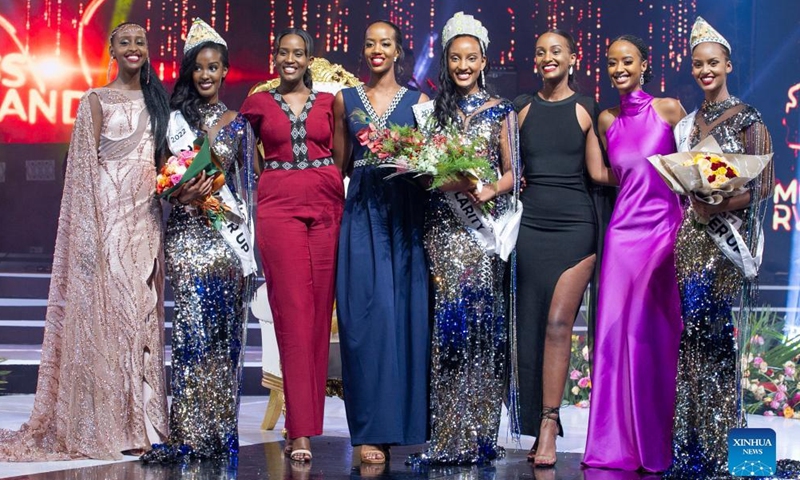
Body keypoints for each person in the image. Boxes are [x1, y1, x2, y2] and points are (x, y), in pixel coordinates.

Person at [0, 22, 170, 461]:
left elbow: (165, 163)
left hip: (147, 225)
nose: (133, 48)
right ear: (112, 50)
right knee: (114, 322)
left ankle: (145, 424)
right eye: (125, 42)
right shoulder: (95, 100)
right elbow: (79, 175)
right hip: (108, 224)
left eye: (140, 42)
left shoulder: (158, 103)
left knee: (142, 320)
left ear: (148, 51)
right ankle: (111, 424)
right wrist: (89, 237)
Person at [141, 18, 257, 463]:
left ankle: (219, 431)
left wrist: (251, 250)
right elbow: (157, 177)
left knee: (224, 335)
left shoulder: (238, 125)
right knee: (191, 332)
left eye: (214, 68)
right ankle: (189, 431)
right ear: (190, 72)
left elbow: (248, 191)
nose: (206, 76)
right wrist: (175, 190)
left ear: (225, 71)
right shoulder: (171, 122)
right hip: (187, 236)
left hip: (227, 243)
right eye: (199, 68)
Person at [666, 17, 775, 479]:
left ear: (727, 64)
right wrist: (689, 191)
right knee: (690, 335)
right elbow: (683, 181)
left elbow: (765, 183)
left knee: (711, 334)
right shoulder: (689, 125)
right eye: (698, 65)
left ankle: (717, 440)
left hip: (724, 243)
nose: (705, 71)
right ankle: (692, 444)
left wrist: (723, 202)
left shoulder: (750, 119)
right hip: (692, 239)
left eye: (713, 63)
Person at [412, 12, 521, 465]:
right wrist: (440, 181)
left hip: (482, 233)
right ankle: (448, 435)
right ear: (446, 61)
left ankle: (477, 436)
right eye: (455, 58)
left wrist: (483, 189)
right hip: (442, 230)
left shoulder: (502, 111)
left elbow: (516, 174)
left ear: (483, 60)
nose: (462, 65)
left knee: (481, 328)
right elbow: (418, 173)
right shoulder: (429, 112)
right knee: (449, 329)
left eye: (470, 58)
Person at [582, 34, 685, 472]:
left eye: (627, 61)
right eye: (611, 63)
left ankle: (657, 442)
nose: (619, 69)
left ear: (645, 64)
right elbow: (602, 173)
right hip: (622, 236)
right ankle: (614, 445)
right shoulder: (605, 120)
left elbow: (695, 166)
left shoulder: (669, 109)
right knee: (614, 337)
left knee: (653, 337)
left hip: (664, 233)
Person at [241, 27, 344, 463]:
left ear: (309, 59)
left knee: (319, 311)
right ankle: (299, 431)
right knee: (293, 310)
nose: (290, 59)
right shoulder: (257, 103)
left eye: (298, 53)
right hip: (278, 202)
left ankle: (306, 421)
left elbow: (341, 155)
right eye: (283, 52)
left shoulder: (329, 102)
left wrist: (323, 181)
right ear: (275, 58)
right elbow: (252, 160)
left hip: (325, 200)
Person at [334, 20, 430, 465]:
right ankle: (369, 430)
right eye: (370, 43)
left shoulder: (418, 101)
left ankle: (399, 429)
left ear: (397, 52)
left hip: (404, 215)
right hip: (362, 215)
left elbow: (433, 164)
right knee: (365, 321)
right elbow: (338, 166)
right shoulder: (345, 100)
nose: (377, 50)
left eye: (385, 43)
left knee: (403, 318)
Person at [514, 29, 610, 467]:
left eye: (556, 51)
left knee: (557, 323)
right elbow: (508, 170)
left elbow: (600, 173)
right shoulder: (520, 108)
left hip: (576, 228)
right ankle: (536, 424)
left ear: (574, 58)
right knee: (532, 326)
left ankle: (550, 423)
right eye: (540, 52)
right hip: (531, 227)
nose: (547, 58)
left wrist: (657, 177)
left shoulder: (587, 108)